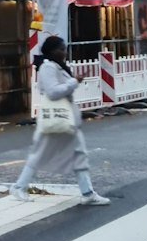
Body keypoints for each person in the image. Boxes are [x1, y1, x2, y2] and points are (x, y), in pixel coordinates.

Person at [10, 35, 110, 206]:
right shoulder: (48, 67)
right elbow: (52, 92)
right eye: (60, 49)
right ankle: (19, 187)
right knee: (40, 154)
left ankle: (87, 192)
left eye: (64, 49)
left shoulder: (56, 66)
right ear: (51, 50)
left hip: (64, 120)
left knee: (78, 154)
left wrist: (73, 81)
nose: (64, 52)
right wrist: (73, 82)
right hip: (55, 119)